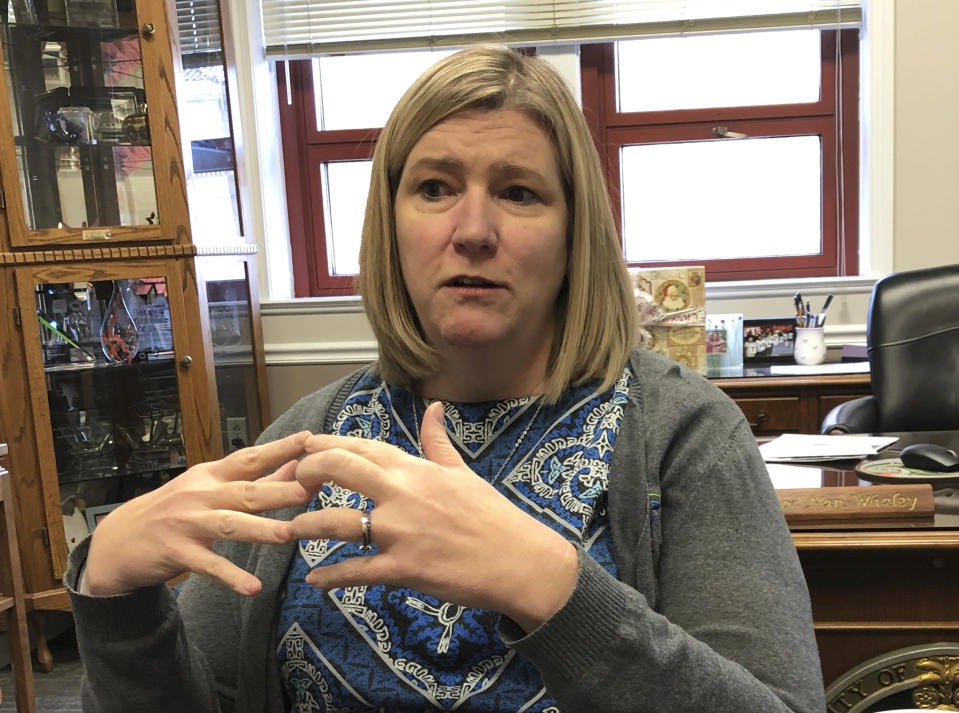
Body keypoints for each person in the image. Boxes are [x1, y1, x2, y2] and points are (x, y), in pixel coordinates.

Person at [67, 46, 825, 713]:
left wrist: (548, 585)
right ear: (390, 223)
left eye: (519, 191)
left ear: (575, 235)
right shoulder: (305, 443)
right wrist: (117, 602)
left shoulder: (683, 435)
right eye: (433, 187)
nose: (471, 229)